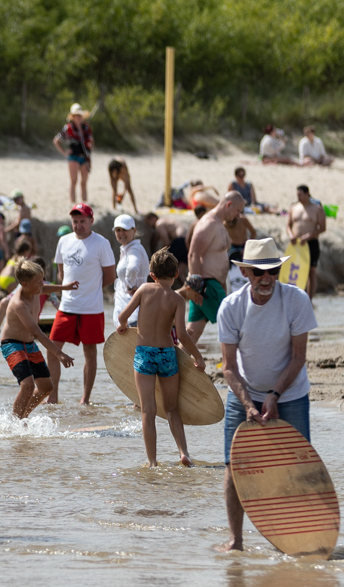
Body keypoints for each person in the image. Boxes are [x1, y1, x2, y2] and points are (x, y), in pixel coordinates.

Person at [217, 238, 318, 553]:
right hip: (244, 392)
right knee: (235, 469)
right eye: (258, 271)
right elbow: (229, 367)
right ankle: (236, 540)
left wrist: (274, 395)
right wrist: (249, 404)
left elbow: (298, 357)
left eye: (273, 271)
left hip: (290, 394)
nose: (266, 278)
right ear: (245, 272)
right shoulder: (231, 307)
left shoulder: (296, 300)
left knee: (297, 468)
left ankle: (294, 538)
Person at [117, 249, 205, 467]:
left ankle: (153, 462)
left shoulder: (144, 289)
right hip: (167, 354)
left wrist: (121, 326)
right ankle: (184, 452)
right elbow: (182, 334)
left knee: (148, 410)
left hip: (144, 353)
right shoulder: (177, 299)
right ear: (176, 273)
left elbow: (123, 316)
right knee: (172, 408)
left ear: (151, 274)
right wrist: (198, 357)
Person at [49, 203, 116, 404]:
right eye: (75, 222)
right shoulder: (64, 241)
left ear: (91, 221)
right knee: (52, 348)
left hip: (92, 307)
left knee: (90, 351)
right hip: (67, 306)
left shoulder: (101, 243)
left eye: (82, 222)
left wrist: (92, 289)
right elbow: (61, 273)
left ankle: (85, 398)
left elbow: (110, 275)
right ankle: (53, 396)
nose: (78, 226)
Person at [0, 260, 76, 419]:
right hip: (12, 344)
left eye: (42, 280)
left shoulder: (35, 290)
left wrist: (65, 287)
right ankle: (15, 422)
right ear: (25, 284)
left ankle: (23, 416)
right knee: (27, 385)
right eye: (38, 282)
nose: (42, 285)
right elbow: (38, 333)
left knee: (47, 387)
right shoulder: (19, 304)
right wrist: (59, 354)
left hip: (28, 344)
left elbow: (45, 288)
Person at [187, 193, 244, 341]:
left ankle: (175, 363)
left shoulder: (219, 224)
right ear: (229, 205)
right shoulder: (209, 223)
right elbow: (193, 254)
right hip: (206, 285)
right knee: (235, 323)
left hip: (210, 284)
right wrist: (197, 287)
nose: (238, 216)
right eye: (237, 211)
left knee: (193, 332)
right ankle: (237, 363)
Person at [286, 185, 326, 298]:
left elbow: (322, 228)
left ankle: (309, 299)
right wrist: (291, 235)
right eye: (297, 195)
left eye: (300, 195)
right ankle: (296, 298)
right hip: (296, 244)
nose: (298, 197)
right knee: (295, 270)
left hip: (311, 243)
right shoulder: (293, 208)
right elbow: (288, 226)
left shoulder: (317, 209)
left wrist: (308, 236)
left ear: (307, 194)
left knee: (311, 272)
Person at [113, 214, 150, 327]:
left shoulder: (134, 249)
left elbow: (133, 267)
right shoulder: (128, 249)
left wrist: (130, 286)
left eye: (125, 229)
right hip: (128, 307)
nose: (121, 233)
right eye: (118, 230)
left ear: (134, 230)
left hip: (133, 310)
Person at [53, 103, 93, 204]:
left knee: (84, 182)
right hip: (73, 157)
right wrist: (64, 152)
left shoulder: (86, 128)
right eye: (76, 115)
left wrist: (89, 148)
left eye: (80, 115)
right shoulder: (68, 128)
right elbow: (56, 140)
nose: (78, 117)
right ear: (73, 117)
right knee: (74, 181)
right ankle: (73, 203)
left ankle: (85, 203)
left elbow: (91, 141)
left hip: (84, 156)